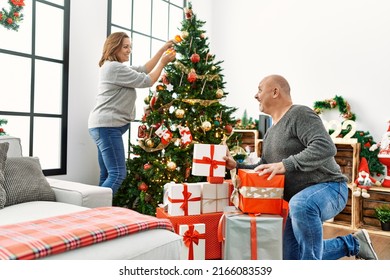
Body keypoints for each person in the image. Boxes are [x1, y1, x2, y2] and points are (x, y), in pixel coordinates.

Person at [224, 74, 379, 260]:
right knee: (292, 258)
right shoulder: (270, 133)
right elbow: (264, 167)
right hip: (299, 202)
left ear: (275, 92)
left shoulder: (300, 114)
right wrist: (236, 165)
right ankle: (354, 243)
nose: (255, 95)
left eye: (259, 89)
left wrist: (285, 164)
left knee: (301, 205)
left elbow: (325, 146)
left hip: (330, 188)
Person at [88, 32, 176, 195]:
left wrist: (162, 50)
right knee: (117, 174)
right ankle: (94, 212)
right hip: (107, 126)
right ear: (114, 48)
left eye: (130, 47)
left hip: (102, 126)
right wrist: (163, 62)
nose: (129, 50)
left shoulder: (116, 67)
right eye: (125, 47)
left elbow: (144, 69)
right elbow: (147, 80)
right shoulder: (114, 68)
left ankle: (97, 212)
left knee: (107, 174)